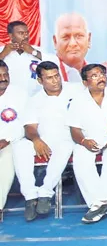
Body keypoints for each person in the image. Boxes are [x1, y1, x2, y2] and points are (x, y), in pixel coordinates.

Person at [13, 61, 78, 221]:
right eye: (49, 78)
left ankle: (45, 193)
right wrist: (36, 140)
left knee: (64, 146)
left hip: (69, 139)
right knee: (20, 146)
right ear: (40, 81)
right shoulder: (34, 100)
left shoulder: (76, 91)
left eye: (57, 76)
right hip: (43, 139)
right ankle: (30, 196)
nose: (55, 81)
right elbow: (30, 127)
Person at [67, 64, 107, 223]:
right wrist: (83, 141)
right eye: (94, 76)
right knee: (81, 158)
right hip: (89, 140)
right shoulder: (78, 101)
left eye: (102, 74)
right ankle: (99, 203)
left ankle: (99, 206)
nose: (101, 77)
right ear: (85, 82)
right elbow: (74, 129)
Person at [0, 60, 28, 218]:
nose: (3, 78)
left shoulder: (19, 94)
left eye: (6, 74)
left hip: (10, 141)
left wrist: (7, 139)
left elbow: (25, 124)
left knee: (6, 158)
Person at [0, 21, 46, 95]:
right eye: (21, 33)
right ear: (11, 36)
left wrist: (33, 51)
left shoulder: (37, 50)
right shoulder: (2, 50)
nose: (26, 36)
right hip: (10, 97)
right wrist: (3, 53)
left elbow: (52, 63)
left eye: (27, 32)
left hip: (36, 96)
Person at [53, 13, 91, 82]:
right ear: (55, 42)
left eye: (79, 36)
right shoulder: (43, 74)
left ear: (89, 40)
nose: (72, 43)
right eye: (65, 37)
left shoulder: (99, 74)